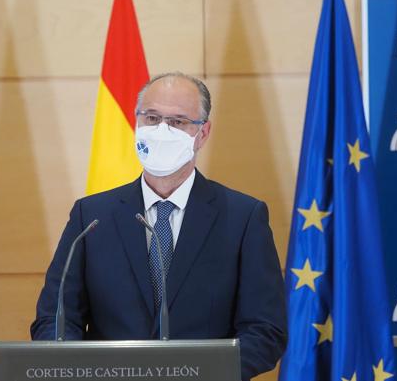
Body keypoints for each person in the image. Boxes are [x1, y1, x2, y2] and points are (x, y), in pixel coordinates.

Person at [31, 72, 287, 380]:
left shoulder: (243, 217)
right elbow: (54, 318)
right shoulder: (91, 216)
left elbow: (265, 330)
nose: (162, 130)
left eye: (178, 122)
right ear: (137, 122)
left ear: (203, 134)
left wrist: (198, 374)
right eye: (152, 118)